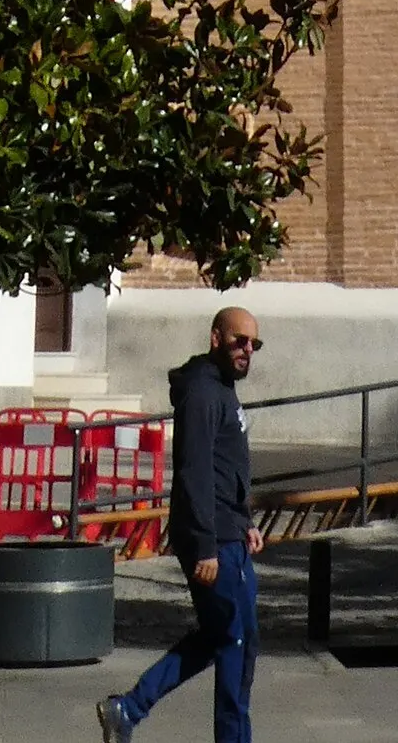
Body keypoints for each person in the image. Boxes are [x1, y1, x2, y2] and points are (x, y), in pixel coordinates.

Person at [100, 306, 266, 743]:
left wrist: (244, 520)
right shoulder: (203, 393)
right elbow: (194, 470)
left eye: (254, 344)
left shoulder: (222, 388)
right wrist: (206, 545)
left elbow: (225, 466)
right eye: (239, 341)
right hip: (214, 543)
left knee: (229, 638)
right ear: (216, 338)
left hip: (231, 534)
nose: (247, 350)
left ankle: (128, 708)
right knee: (233, 644)